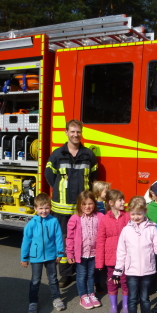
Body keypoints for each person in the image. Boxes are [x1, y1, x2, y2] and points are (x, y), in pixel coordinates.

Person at [45, 119, 98, 288]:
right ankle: (66, 275)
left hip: (82, 209)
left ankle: (81, 272)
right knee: (63, 242)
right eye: (72, 131)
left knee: (83, 240)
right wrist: (61, 190)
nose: (75, 134)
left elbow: (94, 178)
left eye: (78, 132)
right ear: (66, 132)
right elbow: (49, 175)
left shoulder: (88, 155)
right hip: (61, 208)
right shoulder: (57, 154)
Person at [112, 196, 157, 313]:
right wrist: (117, 271)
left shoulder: (152, 228)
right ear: (129, 213)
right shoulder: (126, 230)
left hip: (147, 271)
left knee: (145, 299)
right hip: (131, 271)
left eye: (139, 213)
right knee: (132, 299)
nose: (136, 217)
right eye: (133, 214)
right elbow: (121, 252)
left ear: (145, 212)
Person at [20, 193, 65, 313]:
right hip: (36, 257)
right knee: (35, 280)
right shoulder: (31, 224)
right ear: (35, 208)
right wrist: (24, 258)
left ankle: (56, 298)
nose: (44, 211)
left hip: (51, 256)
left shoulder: (54, 221)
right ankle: (33, 302)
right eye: (41, 208)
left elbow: (58, 238)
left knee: (53, 279)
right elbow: (26, 241)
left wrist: (60, 253)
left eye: (46, 208)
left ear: (50, 208)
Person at [66, 191, 104, 310]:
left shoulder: (99, 217)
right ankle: (83, 296)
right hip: (80, 254)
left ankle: (91, 293)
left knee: (91, 274)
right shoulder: (75, 218)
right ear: (79, 205)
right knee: (82, 275)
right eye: (84, 204)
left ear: (95, 204)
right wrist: (70, 253)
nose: (87, 207)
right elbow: (70, 237)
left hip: (94, 253)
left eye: (90, 203)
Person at [96, 189, 130, 313]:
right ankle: (114, 305)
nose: (123, 202)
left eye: (123, 199)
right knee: (112, 281)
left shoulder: (127, 216)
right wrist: (99, 262)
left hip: (125, 256)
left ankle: (126, 305)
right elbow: (100, 240)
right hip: (111, 258)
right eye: (120, 200)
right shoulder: (104, 219)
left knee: (125, 281)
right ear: (111, 202)